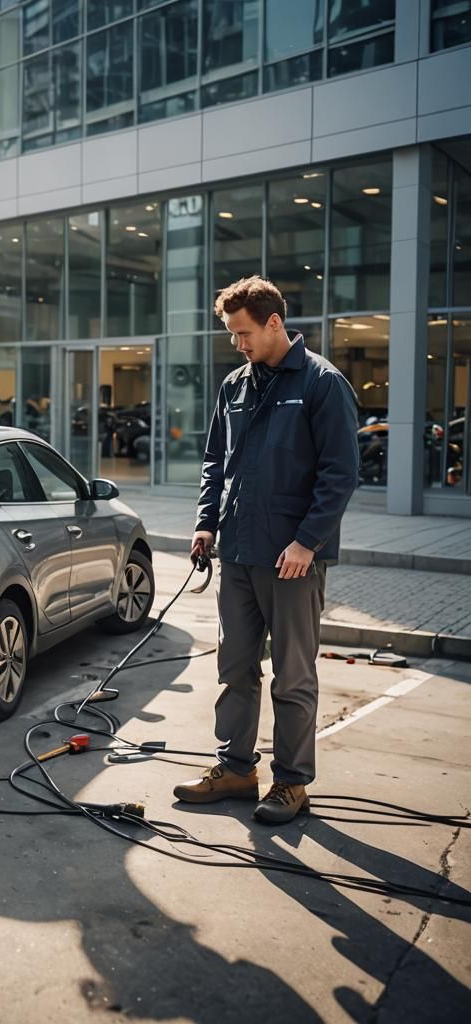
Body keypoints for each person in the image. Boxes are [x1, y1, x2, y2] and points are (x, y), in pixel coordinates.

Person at [174, 276, 359, 824]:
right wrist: (206, 524)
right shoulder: (235, 385)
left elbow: (340, 474)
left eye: (243, 333)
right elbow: (216, 460)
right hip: (239, 552)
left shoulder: (322, 384)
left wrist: (308, 540)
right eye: (231, 334)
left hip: (292, 559)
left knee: (292, 674)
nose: (237, 343)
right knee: (235, 667)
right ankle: (235, 768)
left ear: (274, 322)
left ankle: (292, 783)